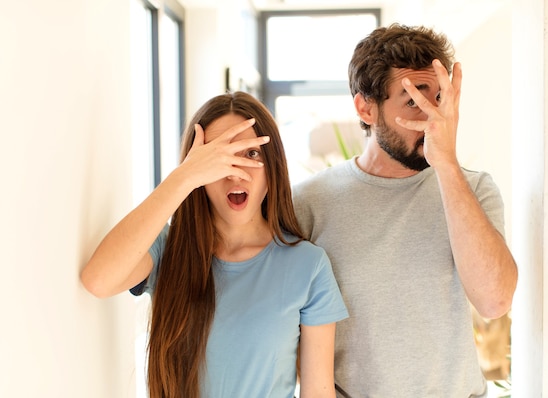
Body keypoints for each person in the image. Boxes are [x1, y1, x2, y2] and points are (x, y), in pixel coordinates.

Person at [292, 23, 518, 397]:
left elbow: (494, 301)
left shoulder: (474, 188)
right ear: (366, 108)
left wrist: (446, 164)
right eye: (413, 101)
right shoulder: (308, 203)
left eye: (438, 101)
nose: (431, 119)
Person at [80, 91, 348, 398]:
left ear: (272, 167)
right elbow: (98, 280)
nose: (235, 171)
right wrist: (184, 177)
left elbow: (318, 391)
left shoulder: (308, 266)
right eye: (219, 156)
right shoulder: (167, 250)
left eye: (250, 153)